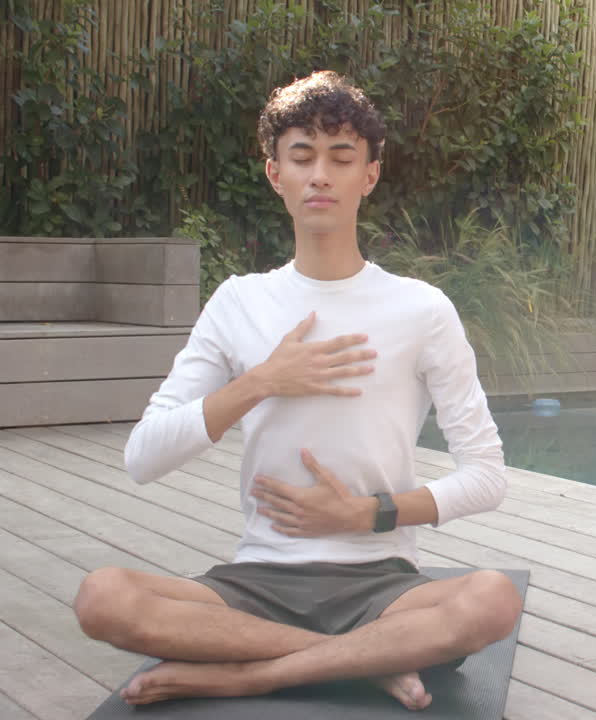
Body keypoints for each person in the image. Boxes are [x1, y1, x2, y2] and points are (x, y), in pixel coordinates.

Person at [73, 71, 522, 710]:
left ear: (368, 176)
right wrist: (261, 381)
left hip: (382, 588)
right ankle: (361, 664)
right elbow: (143, 456)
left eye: (341, 158)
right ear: (274, 173)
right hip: (257, 580)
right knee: (103, 597)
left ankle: (255, 670)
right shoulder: (239, 301)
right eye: (301, 156)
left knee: (492, 598)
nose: (320, 176)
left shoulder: (421, 309)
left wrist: (370, 513)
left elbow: (487, 475)